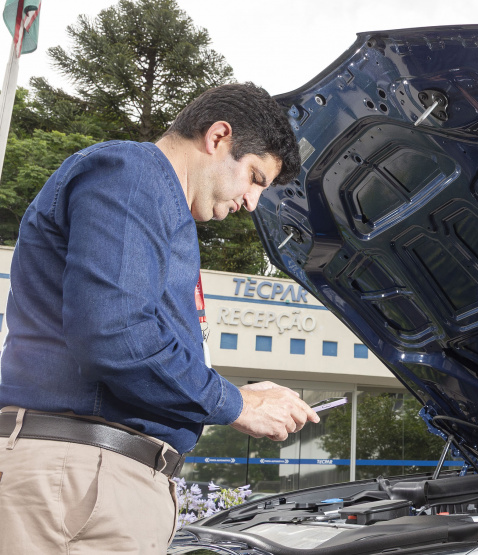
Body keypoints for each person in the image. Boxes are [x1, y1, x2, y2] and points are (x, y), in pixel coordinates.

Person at [0, 82, 318, 554]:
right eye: (254, 177)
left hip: (95, 478)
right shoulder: (133, 173)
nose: (252, 202)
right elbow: (118, 336)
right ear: (218, 137)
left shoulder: (162, 207)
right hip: (79, 476)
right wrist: (237, 404)